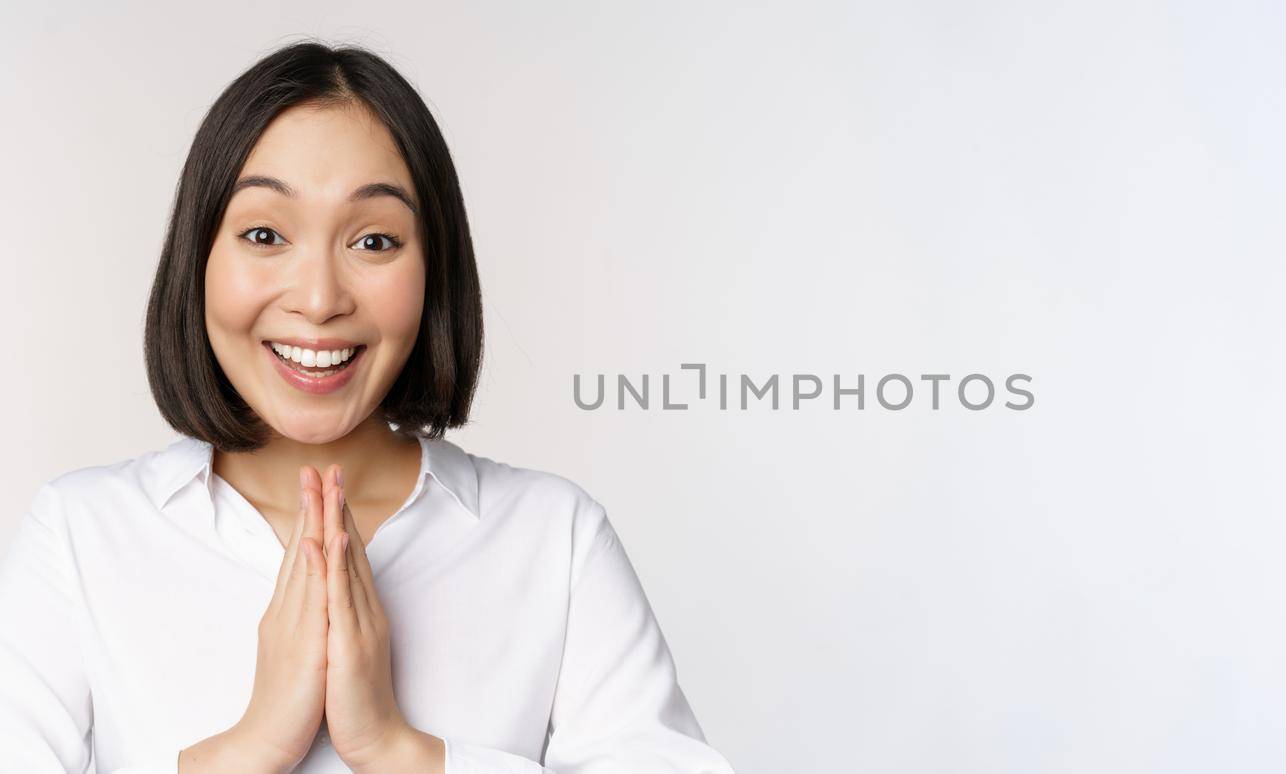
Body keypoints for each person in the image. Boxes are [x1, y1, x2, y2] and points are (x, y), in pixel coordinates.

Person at [0, 41, 735, 774]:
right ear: (198, 258)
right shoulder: (82, 536)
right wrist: (248, 750)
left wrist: (400, 751)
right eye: (264, 234)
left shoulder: (556, 540)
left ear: (433, 271)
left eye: (375, 240)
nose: (319, 300)